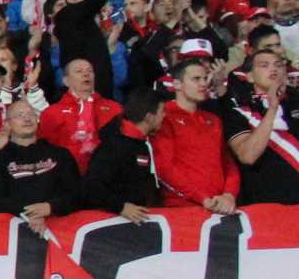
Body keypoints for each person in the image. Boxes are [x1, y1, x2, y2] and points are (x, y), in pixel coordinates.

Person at [222, 48, 299, 206]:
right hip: (265, 205)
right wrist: (272, 109)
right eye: (264, 65)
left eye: (278, 65)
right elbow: (247, 156)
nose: (273, 69)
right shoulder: (239, 110)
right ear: (250, 76)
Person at [156, 58, 240, 212]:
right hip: (181, 209)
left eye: (205, 78)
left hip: (220, 206)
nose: (203, 84)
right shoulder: (163, 117)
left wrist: (229, 194)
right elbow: (164, 168)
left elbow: (228, 163)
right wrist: (203, 198)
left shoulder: (213, 120)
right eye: (196, 79)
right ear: (177, 84)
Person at [0, 100, 78, 229]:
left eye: (31, 114)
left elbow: (77, 193)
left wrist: (51, 207)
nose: (27, 119)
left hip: (62, 229)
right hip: (17, 231)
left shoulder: (60, 154)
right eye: (20, 115)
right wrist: (31, 213)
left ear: (37, 119)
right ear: (7, 124)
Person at [80, 88, 166, 220]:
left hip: (136, 220)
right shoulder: (113, 146)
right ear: (149, 117)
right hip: (112, 223)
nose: (165, 116)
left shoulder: (141, 144)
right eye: (162, 111)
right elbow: (91, 187)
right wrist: (120, 207)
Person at [36, 57, 123, 175]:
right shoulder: (52, 113)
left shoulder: (114, 108)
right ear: (66, 81)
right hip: (67, 175)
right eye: (79, 71)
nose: (86, 74)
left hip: (109, 174)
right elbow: (45, 150)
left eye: (90, 70)